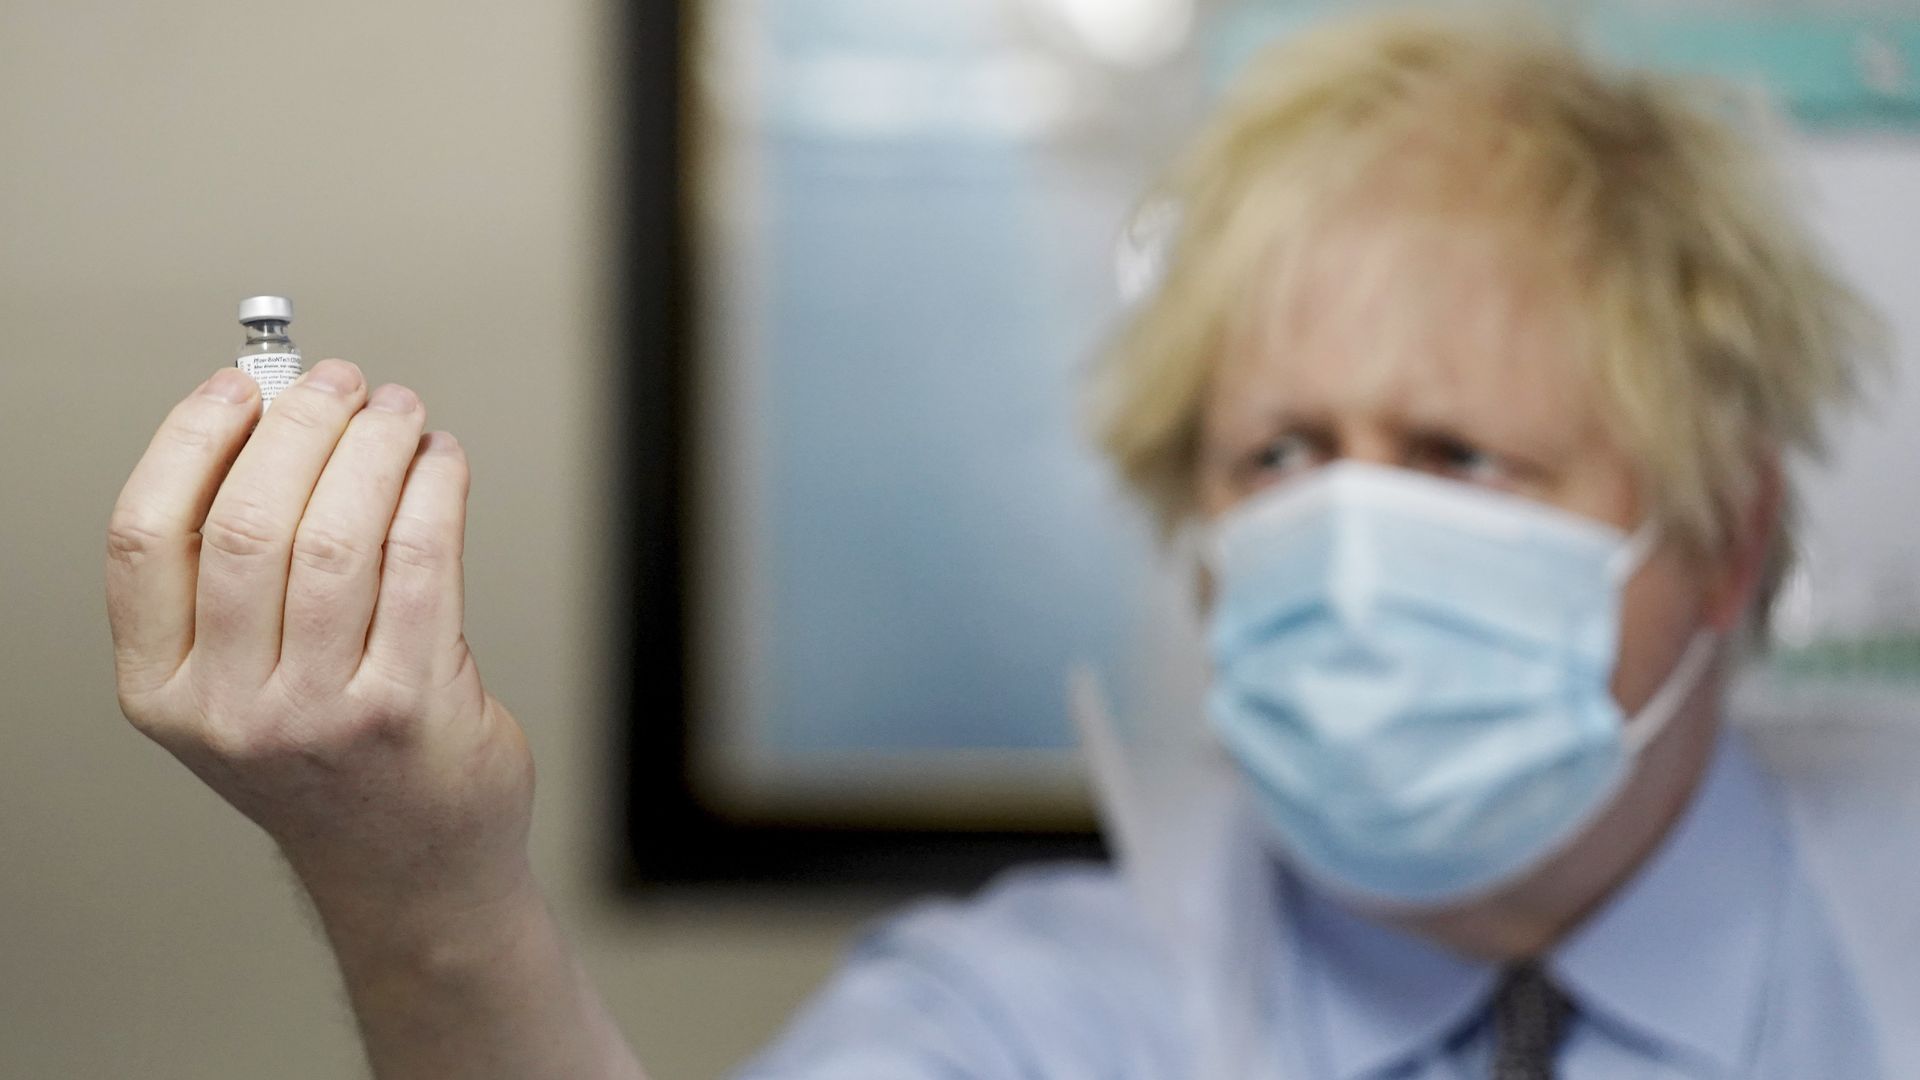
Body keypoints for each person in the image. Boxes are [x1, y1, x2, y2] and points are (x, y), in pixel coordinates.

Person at [106, 8, 1907, 1078]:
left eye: (1458, 457)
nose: (1353, 540)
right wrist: (423, 889)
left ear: (1727, 534)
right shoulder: (1029, 1012)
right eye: (1280, 455)